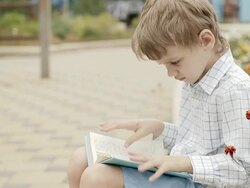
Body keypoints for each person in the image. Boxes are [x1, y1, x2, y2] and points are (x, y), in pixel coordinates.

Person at [67, 0, 250, 187]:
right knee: (80, 158)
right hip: (185, 172)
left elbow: (243, 169)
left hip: (204, 181)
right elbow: (201, 141)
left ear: (205, 40)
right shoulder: (196, 77)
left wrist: (180, 162)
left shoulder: (234, 89)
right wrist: (159, 128)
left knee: (96, 178)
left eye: (175, 62)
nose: (170, 73)